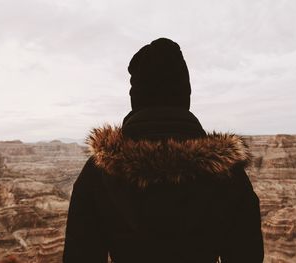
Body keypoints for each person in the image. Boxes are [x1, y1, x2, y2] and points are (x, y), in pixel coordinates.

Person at [63, 38, 264, 263]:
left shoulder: (97, 172)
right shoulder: (227, 171)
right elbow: (247, 256)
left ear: (135, 97)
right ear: (185, 94)